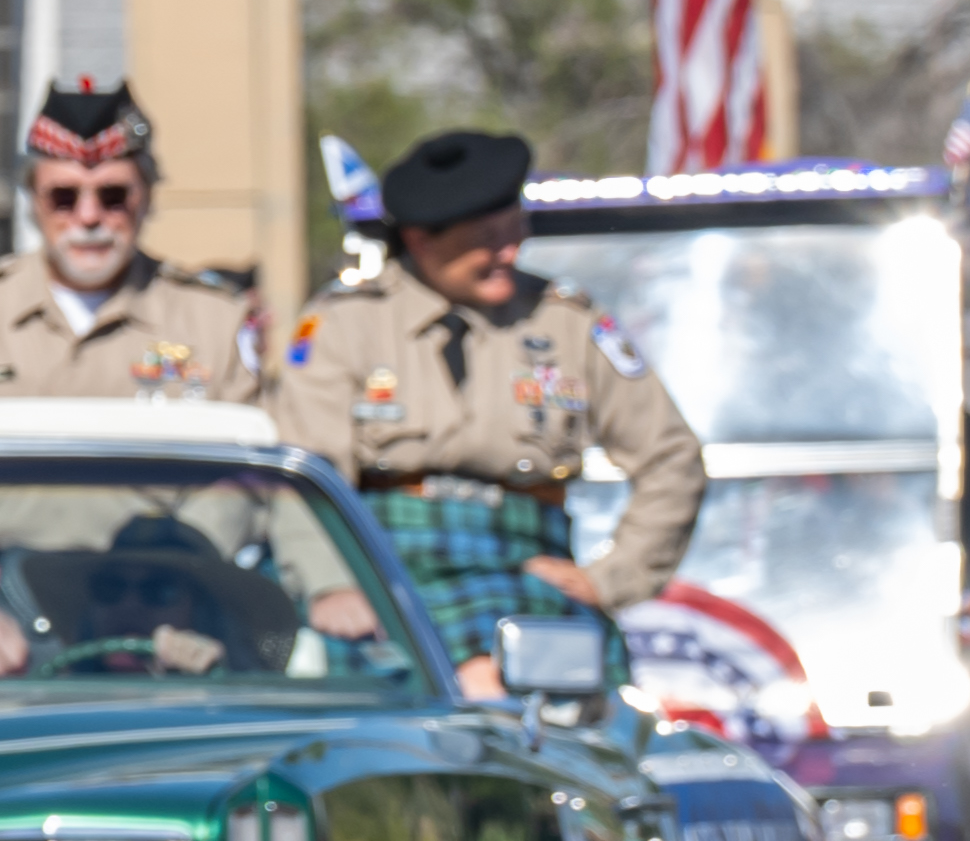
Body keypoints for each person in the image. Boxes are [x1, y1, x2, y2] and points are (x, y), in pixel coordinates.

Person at [283, 128, 710, 639]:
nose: (509, 252)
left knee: (561, 697)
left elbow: (671, 458)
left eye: (516, 230)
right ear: (420, 240)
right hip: (383, 569)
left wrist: (612, 579)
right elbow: (303, 475)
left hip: (527, 568)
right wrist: (330, 587)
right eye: (486, 240)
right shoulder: (344, 325)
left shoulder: (567, 321)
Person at [0, 80, 280, 422]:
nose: (89, 217)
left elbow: (249, 485)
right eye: (64, 197)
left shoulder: (215, 322)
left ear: (147, 197)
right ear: (34, 202)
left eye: (113, 195)